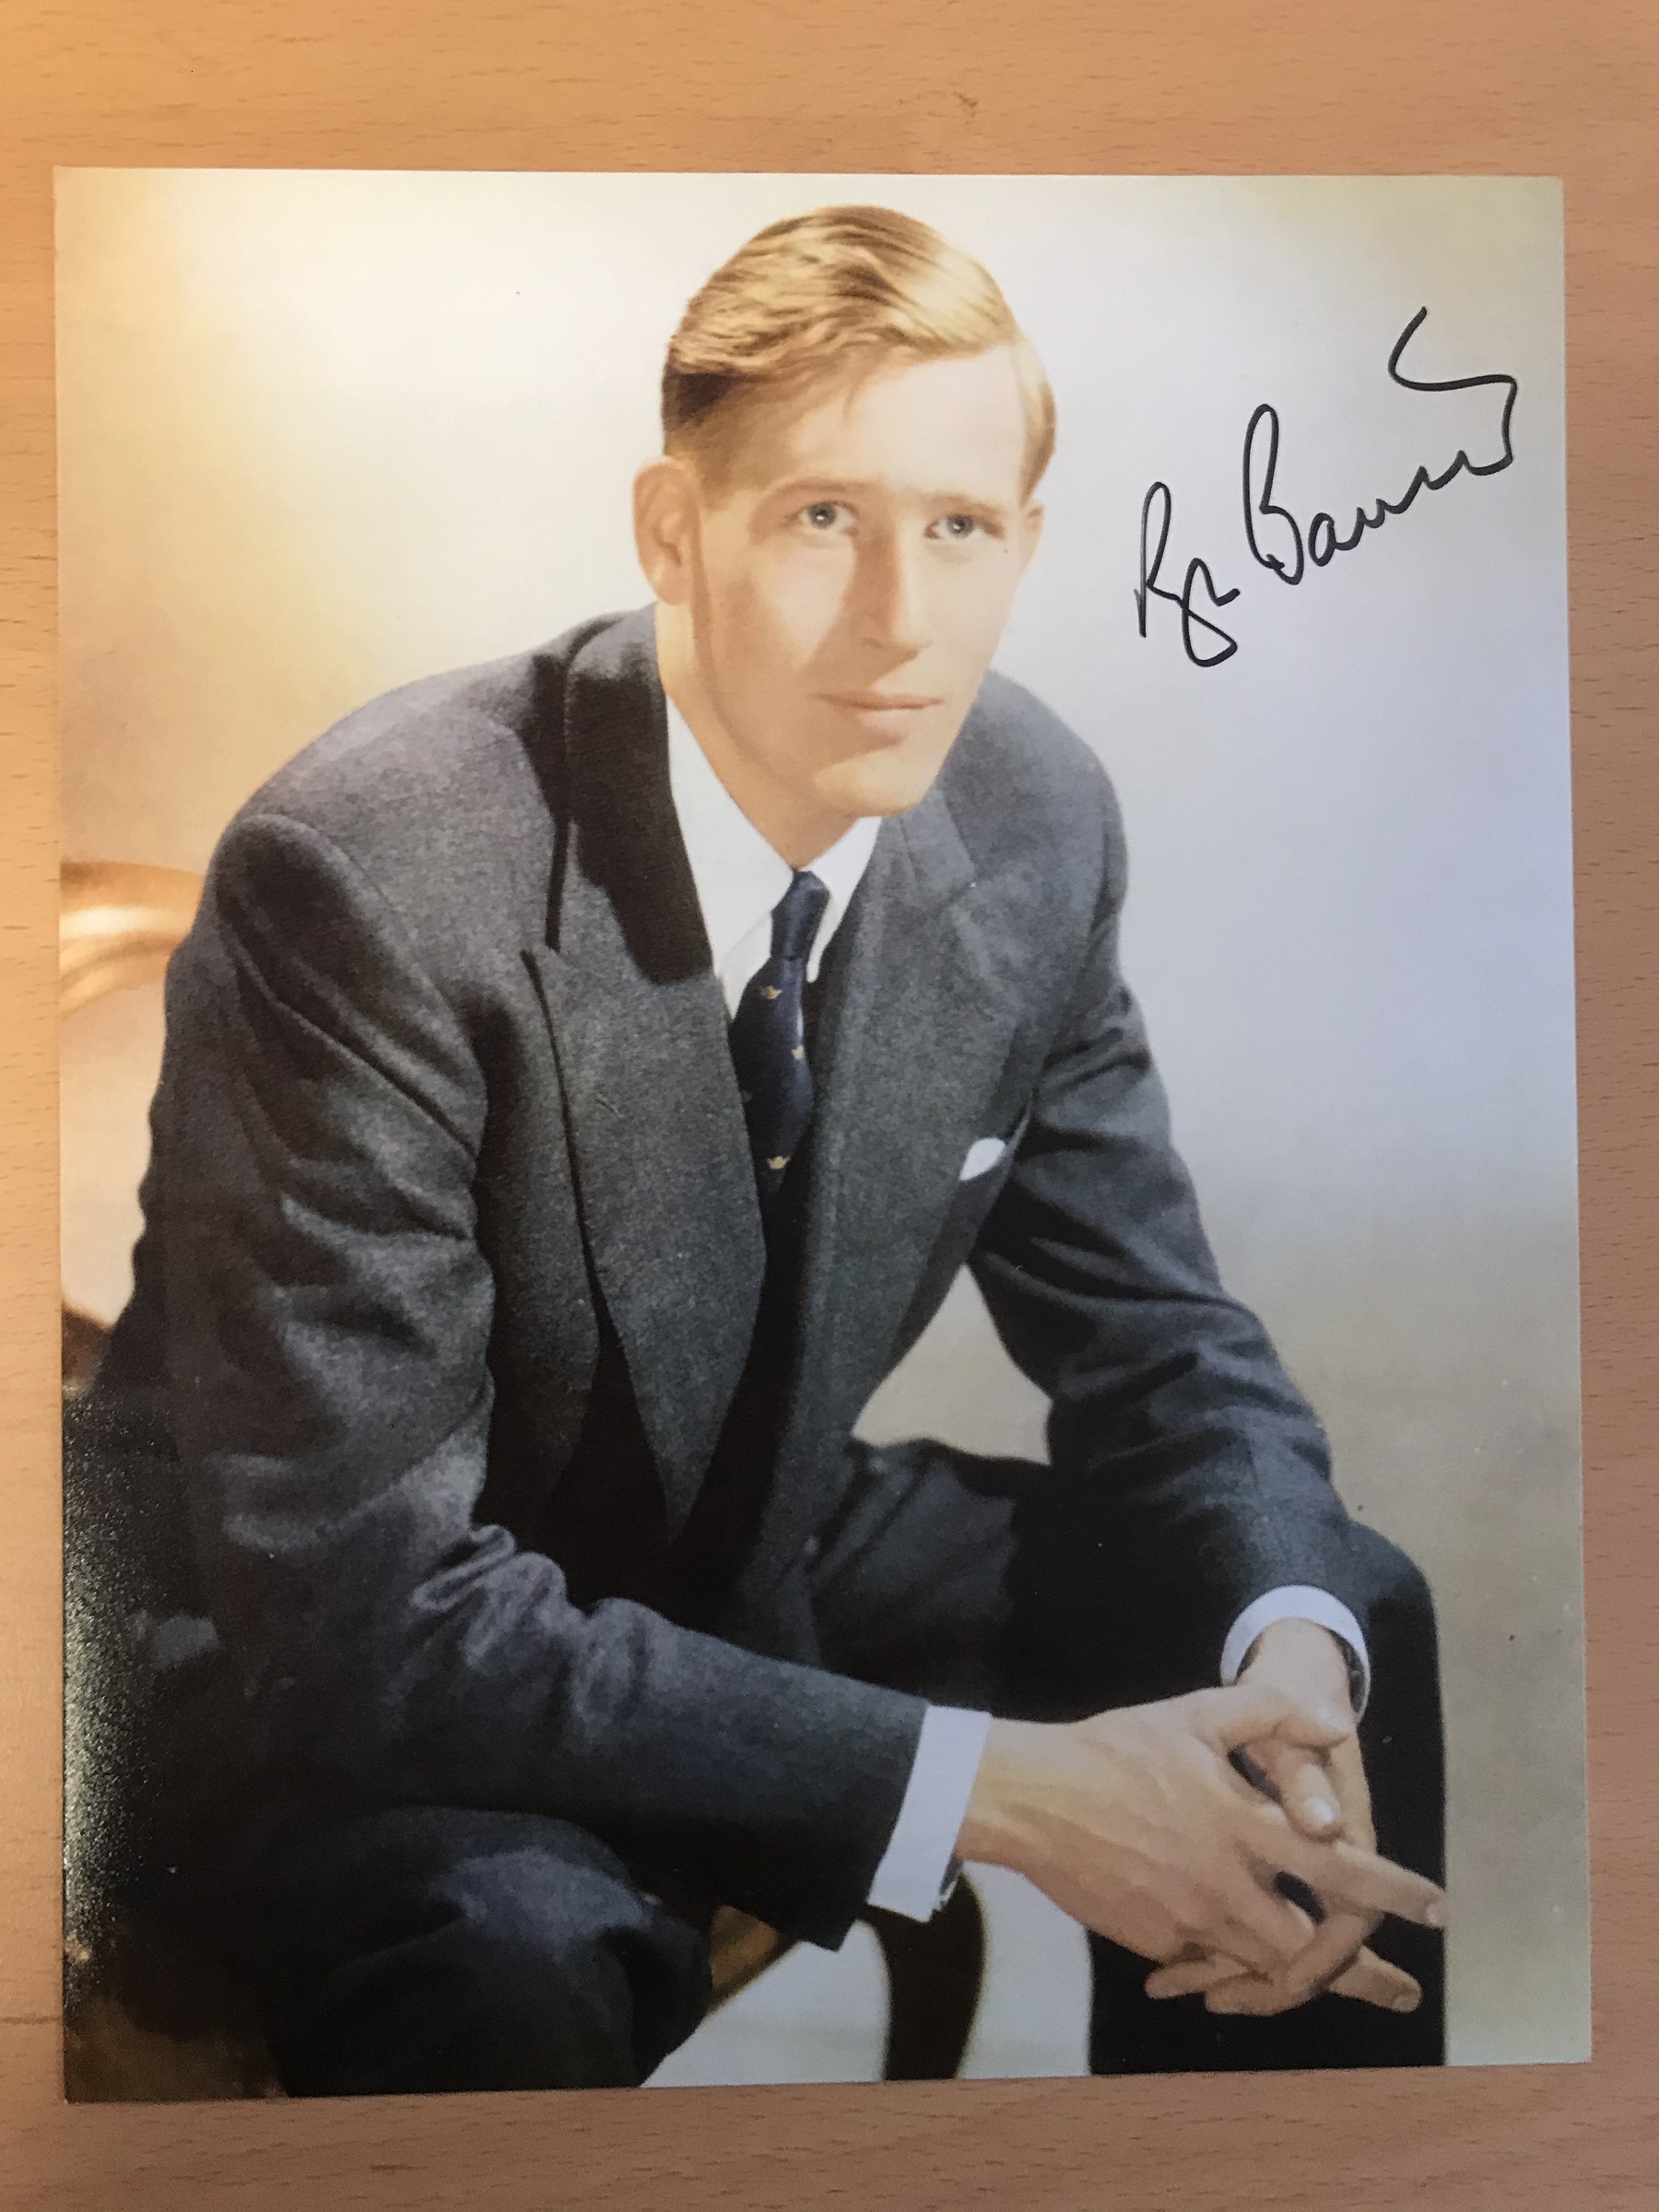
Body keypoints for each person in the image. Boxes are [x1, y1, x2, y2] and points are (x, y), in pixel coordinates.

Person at [66, 203, 1447, 2097]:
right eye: (822, 519)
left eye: (960, 530)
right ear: (670, 532)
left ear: (1025, 547)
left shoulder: (1031, 811)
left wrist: (1280, 1654)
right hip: (314, 1649)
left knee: (1327, 1595)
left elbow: (1161, 1342)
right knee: (513, 1955)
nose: (902, 620)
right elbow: (368, 1611)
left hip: (736, 1523)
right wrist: (1008, 1796)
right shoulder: (370, 872)